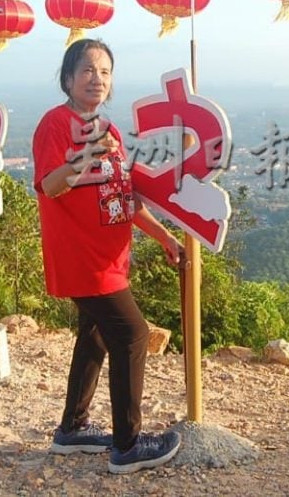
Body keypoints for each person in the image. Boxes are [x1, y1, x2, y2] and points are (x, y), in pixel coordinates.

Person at [32, 38, 185, 475]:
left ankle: (73, 429)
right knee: (132, 335)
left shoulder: (110, 131)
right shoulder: (55, 125)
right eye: (86, 70)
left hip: (110, 259)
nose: (96, 79)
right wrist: (80, 159)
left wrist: (164, 237)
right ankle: (128, 445)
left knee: (97, 335)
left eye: (104, 72)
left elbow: (126, 198)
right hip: (83, 260)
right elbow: (50, 185)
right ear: (67, 79)